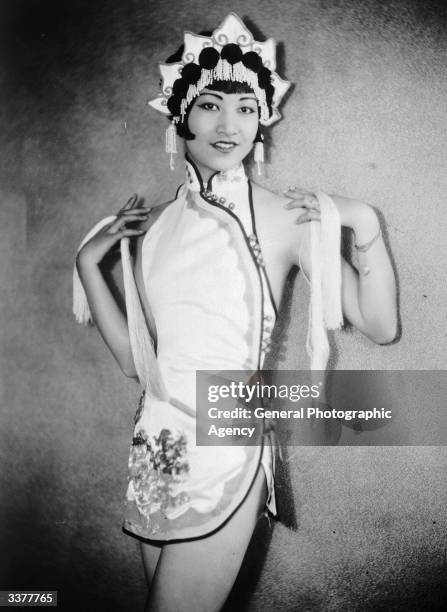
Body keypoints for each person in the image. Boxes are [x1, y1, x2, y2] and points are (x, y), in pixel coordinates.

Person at [74, 13, 397, 612]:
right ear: (178, 116)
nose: (230, 125)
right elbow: (135, 363)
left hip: (226, 437)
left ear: (264, 118)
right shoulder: (159, 224)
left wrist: (365, 224)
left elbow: (381, 327)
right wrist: (90, 266)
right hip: (156, 443)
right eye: (211, 105)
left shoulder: (284, 214)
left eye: (246, 108)